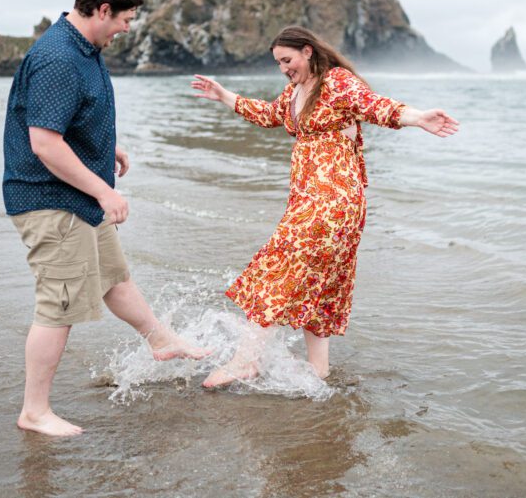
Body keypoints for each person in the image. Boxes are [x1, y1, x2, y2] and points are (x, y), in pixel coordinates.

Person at [191, 26, 459, 388]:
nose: (284, 68)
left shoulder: (336, 81)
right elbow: (269, 114)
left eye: (288, 60)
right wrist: (225, 96)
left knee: (278, 268)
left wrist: (417, 117)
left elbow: (375, 106)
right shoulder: (296, 92)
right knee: (323, 284)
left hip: (333, 201)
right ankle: (319, 372)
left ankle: (246, 360)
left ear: (307, 51)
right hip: (312, 200)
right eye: (278, 64)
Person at [3, 0, 207, 437]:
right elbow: (45, 143)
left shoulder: (84, 49)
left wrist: (102, 147)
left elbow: (66, 121)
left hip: (74, 196)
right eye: (126, 20)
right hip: (51, 199)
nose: (127, 29)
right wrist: (104, 189)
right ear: (102, 10)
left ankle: (161, 340)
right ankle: (34, 411)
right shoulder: (58, 57)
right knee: (59, 304)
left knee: (113, 277)